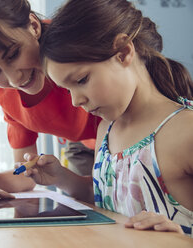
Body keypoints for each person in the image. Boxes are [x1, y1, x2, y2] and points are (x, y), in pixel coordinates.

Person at [23, 0, 192, 236]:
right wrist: (62, 178)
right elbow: (110, 199)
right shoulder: (105, 131)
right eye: (67, 89)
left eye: (81, 80)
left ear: (123, 52)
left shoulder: (186, 131)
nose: (75, 101)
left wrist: (182, 236)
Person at [0, 0, 101, 208]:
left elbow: (105, 190)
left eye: (13, 55)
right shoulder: (5, 93)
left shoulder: (76, 50)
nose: (14, 79)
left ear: (34, 26)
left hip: (121, 131)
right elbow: (26, 174)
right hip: (81, 145)